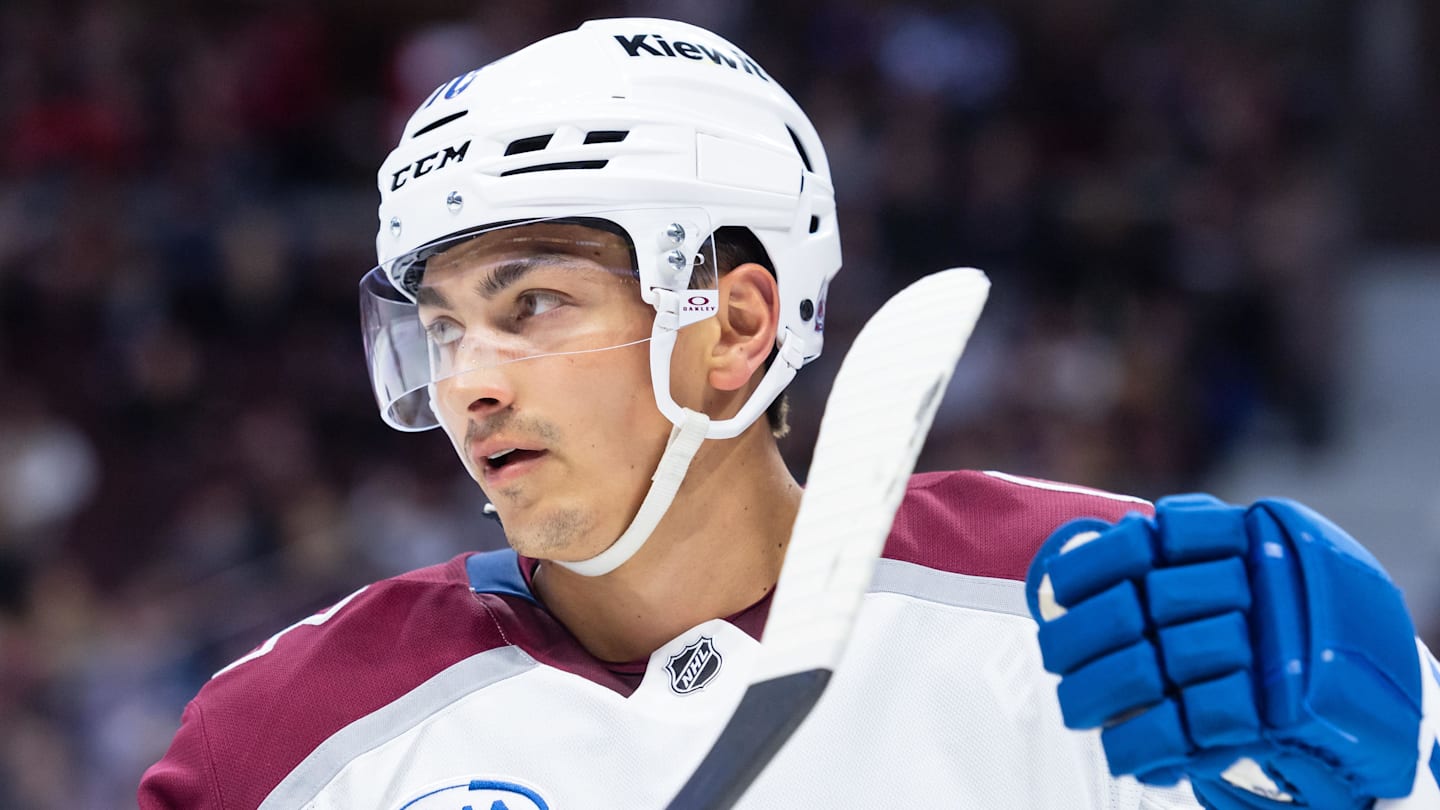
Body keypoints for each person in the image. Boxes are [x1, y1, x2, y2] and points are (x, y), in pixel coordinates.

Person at [140, 18, 1439, 809]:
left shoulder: (1090, 614)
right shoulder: (294, 734)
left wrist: (1393, 771)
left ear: (739, 325)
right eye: (441, 326)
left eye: (530, 302)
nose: (470, 377)